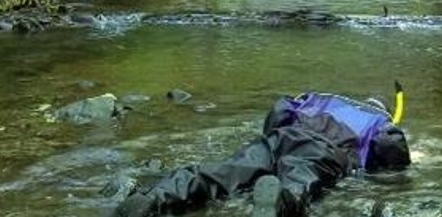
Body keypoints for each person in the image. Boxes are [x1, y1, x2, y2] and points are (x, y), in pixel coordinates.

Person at [112, 90, 411, 217]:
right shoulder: (378, 121)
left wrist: (271, 137)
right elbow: (390, 147)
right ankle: (282, 202)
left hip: (281, 137)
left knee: (226, 170)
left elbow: (280, 108)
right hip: (322, 151)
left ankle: (159, 196)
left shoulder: (320, 98)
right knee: (300, 180)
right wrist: (389, 167)